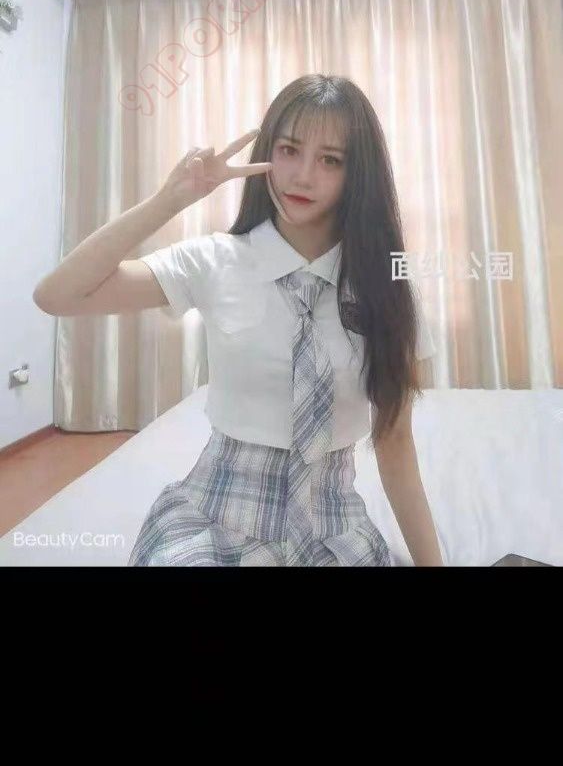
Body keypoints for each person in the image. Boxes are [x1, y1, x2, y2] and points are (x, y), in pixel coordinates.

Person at [33, 73, 443, 566]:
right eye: (289, 150)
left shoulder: (388, 289)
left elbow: (395, 440)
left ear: (357, 176)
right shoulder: (213, 261)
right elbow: (58, 295)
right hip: (218, 518)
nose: (302, 175)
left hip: (333, 527)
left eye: (330, 160)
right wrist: (170, 199)